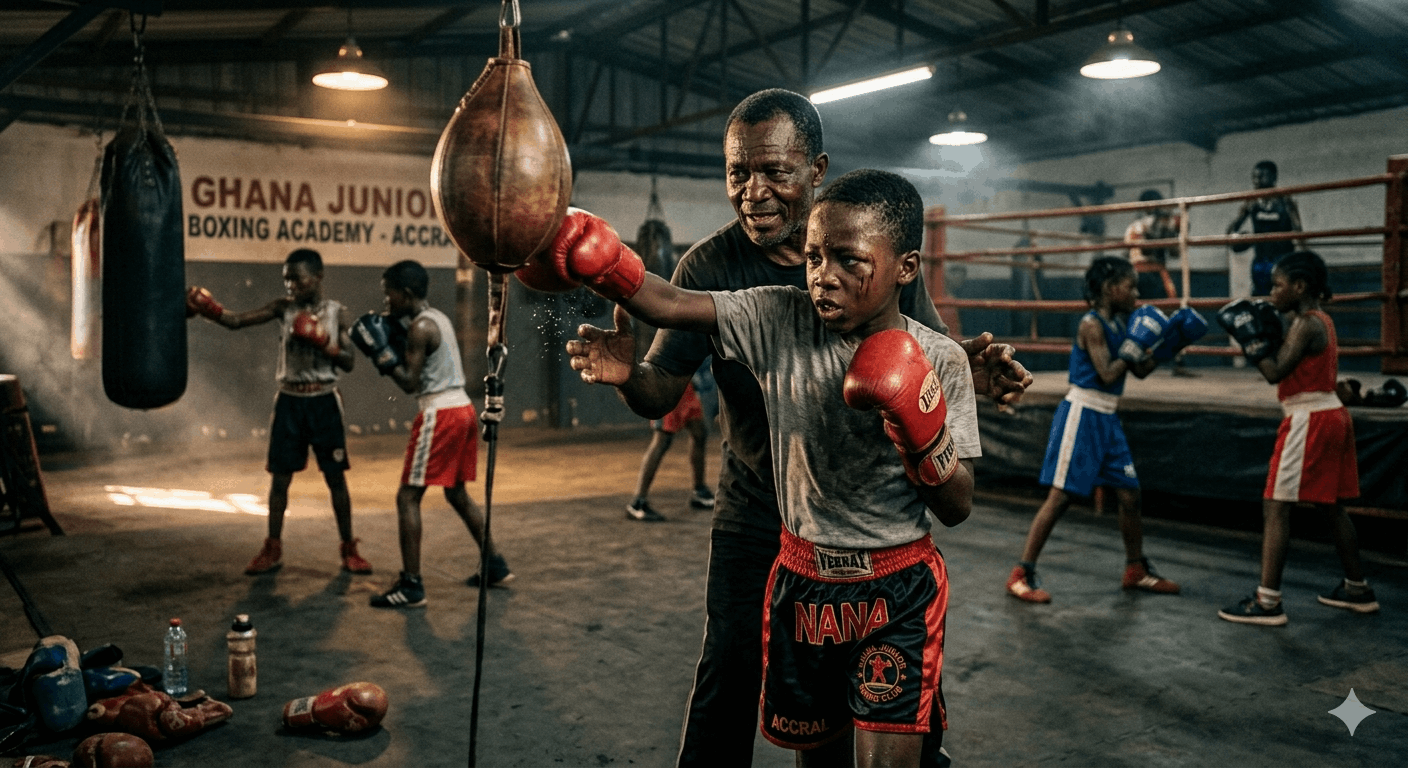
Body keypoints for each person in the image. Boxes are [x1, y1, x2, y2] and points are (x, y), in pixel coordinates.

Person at [562, 88, 1029, 768]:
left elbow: (921, 359)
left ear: (815, 170)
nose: (753, 192)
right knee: (733, 673)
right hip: (768, 514)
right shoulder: (746, 292)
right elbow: (663, 337)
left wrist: (950, 389)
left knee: (896, 711)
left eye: (774, 172)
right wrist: (610, 288)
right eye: (737, 173)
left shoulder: (879, 241)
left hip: (885, 539)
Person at [1006, 257, 1183, 603]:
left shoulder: (1121, 323)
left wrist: (1169, 345)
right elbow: (1107, 373)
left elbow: (1139, 370)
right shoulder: (1092, 325)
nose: (1136, 294)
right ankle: (1021, 573)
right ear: (1110, 289)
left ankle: (1135, 569)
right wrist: (1133, 347)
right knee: (1060, 498)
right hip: (1083, 414)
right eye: (1130, 287)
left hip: (1108, 418)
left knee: (1130, 495)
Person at [186, 249, 372, 576]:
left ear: (317, 277)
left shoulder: (336, 313)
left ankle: (349, 548)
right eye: (286, 279)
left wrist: (323, 341)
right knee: (280, 479)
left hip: (324, 402)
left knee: (335, 478)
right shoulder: (282, 308)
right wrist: (209, 310)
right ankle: (272, 548)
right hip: (289, 402)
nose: (290, 285)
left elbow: (349, 361)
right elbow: (237, 321)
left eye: (297, 279)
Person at [1215, 251, 1378, 625]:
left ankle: (1267, 602)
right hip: (1330, 413)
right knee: (1330, 506)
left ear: (1300, 286)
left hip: (1309, 419)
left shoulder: (1306, 324)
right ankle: (1357, 589)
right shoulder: (1321, 320)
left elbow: (1274, 372)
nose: (1272, 292)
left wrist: (1249, 341)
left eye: (1278, 285)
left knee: (1276, 505)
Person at [352, 260, 513, 608]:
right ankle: (495, 564)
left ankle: (411, 586)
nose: (386, 302)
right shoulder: (437, 317)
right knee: (456, 494)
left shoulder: (420, 328)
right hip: (463, 409)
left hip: (440, 413)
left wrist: (381, 354)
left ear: (406, 293)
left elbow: (410, 383)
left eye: (389, 294)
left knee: (407, 498)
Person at [626, 362, 716, 522]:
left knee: (699, 433)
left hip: (687, 386)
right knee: (662, 441)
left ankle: (700, 491)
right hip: (668, 385)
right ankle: (637, 503)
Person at [1226, 160, 1303, 297]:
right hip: (1261, 260)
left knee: (1284, 298)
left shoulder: (1285, 200)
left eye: (1261, 176)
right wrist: (1244, 238)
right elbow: (1231, 232)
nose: (1256, 181)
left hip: (1283, 259)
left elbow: (1299, 231)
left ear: (1274, 177)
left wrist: (1304, 258)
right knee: (1260, 299)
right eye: (1254, 177)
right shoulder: (1252, 201)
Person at [1124, 189, 1179, 301]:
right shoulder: (1135, 226)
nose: (1152, 206)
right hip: (1140, 272)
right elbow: (1143, 251)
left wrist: (1170, 233)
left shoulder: (1164, 223)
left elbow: (1175, 253)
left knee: (1170, 302)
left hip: (1156, 271)